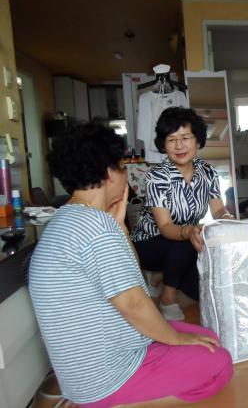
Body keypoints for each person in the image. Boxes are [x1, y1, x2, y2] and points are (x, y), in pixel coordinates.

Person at [29, 123, 233, 407]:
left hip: (91, 366)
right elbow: (134, 303)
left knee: (207, 337)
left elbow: (132, 280)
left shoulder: (68, 218)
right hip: (107, 378)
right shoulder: (97, 229)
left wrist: (122, 230)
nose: (127, 177)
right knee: (219, 361)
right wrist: (175, 339)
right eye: (123, 167)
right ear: (109, 172)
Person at [131, 107, 234, 320]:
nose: (179, 146)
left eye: (185, 138)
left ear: (197, 141)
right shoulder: (157, 177)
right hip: (150, 243)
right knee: (187, 242)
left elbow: (218, 209)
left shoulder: (207, 172)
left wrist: (226, 219)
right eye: (171, 139)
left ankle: (161, 277)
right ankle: (167, 296)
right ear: (163, 144)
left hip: (186, 244)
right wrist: (188, 231)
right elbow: (166, 227)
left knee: (200, 290)